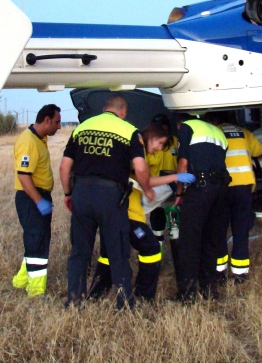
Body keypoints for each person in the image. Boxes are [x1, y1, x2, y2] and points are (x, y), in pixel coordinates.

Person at [60, 93, 155, 310]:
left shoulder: (81, 129)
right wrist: (148, 189)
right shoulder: (129, 131)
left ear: (104, 109)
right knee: (118, 251)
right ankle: (124, 303)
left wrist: (68, 194)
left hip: (82, 193)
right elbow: (140, 168)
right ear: (123, 112)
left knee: (79, 252)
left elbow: (64, 167)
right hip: (111, 198)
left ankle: (74, 300)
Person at [88, 123, 195, 301]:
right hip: (126, 214)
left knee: (108, 255)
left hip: (117, 212)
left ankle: (95, 295)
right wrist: (176, 177)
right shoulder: (136, 153)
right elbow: (147, 180)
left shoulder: (133, 153)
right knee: (151, 248)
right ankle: (143, 296)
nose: (159, 149)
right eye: (160, 144)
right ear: (151, 138)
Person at [174, 114, 230, 302]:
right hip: (221, 190)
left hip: (200, 189)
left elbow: (183, 164)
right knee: (211, 239)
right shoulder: (218, 132)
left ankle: (187, 293)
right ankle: (209, 290)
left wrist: (179, 193)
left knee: (189, 241)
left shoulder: (187, 127)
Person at [208, 112, 262, 284]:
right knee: (241, 230)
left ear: (214, 119)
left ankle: (219, 273)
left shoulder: (214, 131)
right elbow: (261, 151)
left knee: (220, 230)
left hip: (223, 187)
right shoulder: (243, 132)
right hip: (244, 186)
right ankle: (240, 274)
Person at [11, 104, 62, 297]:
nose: (59, 126)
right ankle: (36, 289)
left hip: (37, 196)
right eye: (57, 122)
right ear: (46, 120)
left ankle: (22, 279)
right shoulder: (29, 142)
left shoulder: (39, 138)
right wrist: (39, 201)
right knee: (37, 240)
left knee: (35, 239)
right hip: (31, 198)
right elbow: (24, 176)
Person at [148, 113, 178, 250]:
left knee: (175, 228)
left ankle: (177, 258)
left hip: (172, 190)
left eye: (164, 126)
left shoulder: (175, 141)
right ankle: (157, 256)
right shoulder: (148, 145)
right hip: (155, 190)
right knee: (157, 228)